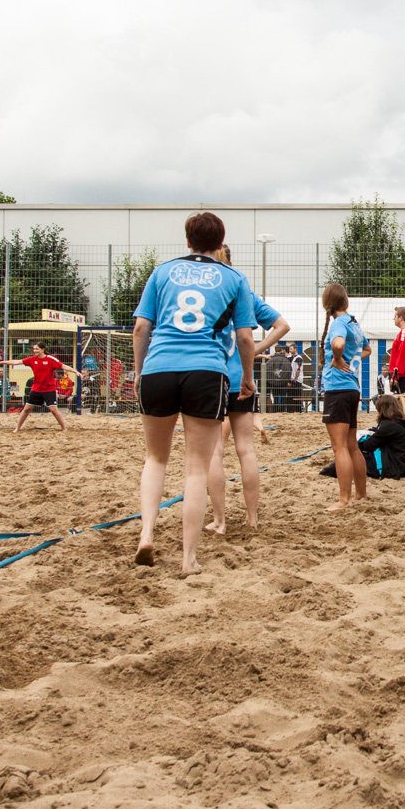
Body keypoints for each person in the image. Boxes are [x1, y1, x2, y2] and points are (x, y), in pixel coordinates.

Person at [131, 211, 256, 572]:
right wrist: (246, 377)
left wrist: (141, 372)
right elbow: (245, 337)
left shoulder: (162, 272)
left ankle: (147, 535)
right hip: (206, 369)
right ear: (221, 244)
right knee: (196, 469)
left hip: (159, 366)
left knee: (155, 459)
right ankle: (188, 559)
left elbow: (141, 328)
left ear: (187, 241)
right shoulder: (234, 278)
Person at [208, 244, 289, 529]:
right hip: (241, 377)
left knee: (215, 450)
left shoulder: (208, 290)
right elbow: (282, 325)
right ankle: (251, 517)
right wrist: (256, 350)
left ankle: (219, 519)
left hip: (212, 376)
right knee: (246, 450)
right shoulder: (243, 290)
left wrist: (255, 350)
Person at [320, 282, 372, 511]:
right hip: (353, 388)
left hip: (338, 388)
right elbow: (367, 349)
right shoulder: (354, 322)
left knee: (339, 447)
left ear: (327, 303)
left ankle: (344, 499)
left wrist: (338, 358)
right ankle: (360, 494)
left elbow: (338, 343)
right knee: (352, 446)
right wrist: (353, 359)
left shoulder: (339, 323)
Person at [320, 394, 405, 480]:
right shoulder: (401, 424)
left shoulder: (389, 426)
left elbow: (368, 446)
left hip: (395, 469)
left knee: (356, 456)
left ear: (382, 410)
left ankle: (324, 472)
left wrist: (354, 442)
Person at [0, 341, 87, 432]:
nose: (35, 351)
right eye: (34, 349)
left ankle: (64, 428)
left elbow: (63, 366)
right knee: (27, 409)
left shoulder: (50, 359)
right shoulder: (32, 359)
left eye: (37, 349)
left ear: (42, 349)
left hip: (49, 389)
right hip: (36, 388)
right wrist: (0, 363)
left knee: (53, 410)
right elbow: (16, 362)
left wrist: (76, 372)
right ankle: (17, 428)